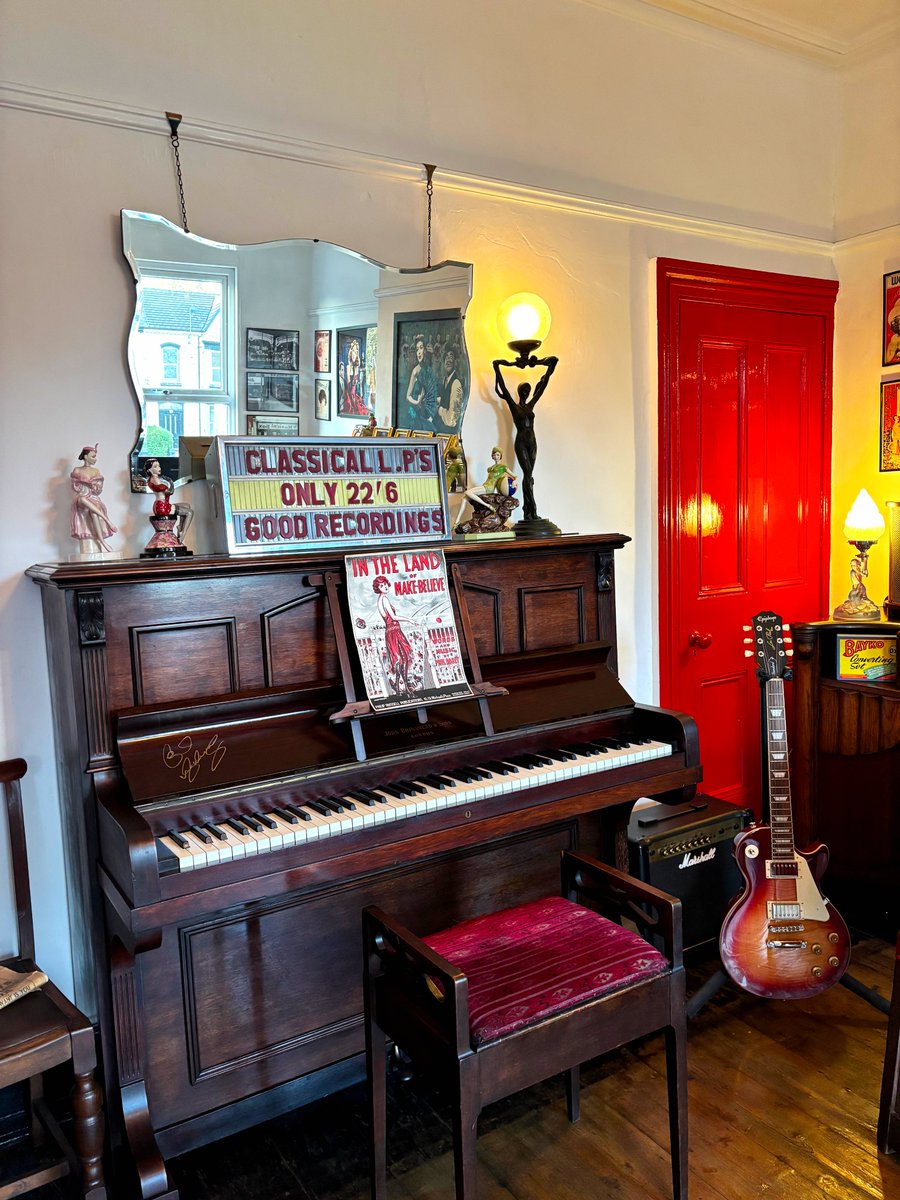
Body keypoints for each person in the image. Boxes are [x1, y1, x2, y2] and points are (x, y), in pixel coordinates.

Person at [493, 355, 557, 523]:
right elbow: (503, 389)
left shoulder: (531, 405)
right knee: (528, 475)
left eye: (528, 391)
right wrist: (498, 365)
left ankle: (527, 511)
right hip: (521, 442)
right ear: (520, 392)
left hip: (532, 441)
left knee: (529, 476)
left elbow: (543, 385)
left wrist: (547, 364)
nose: (526, 393)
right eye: (524, 390)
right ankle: (532, 511)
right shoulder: (514, 407)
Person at [70, 443, 117, 554]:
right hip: (83, 497)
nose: (95, 459)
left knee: (94, 512)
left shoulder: (96, 471)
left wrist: (94, 486)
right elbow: (75, 487)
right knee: (81, 499)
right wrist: (82, 483)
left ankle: (102, 541)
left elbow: (98, 490)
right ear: (86, 457)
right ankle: (107, 520)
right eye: (93, 456)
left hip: (93, 498)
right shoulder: (77, 470)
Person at [374, 575, 413, 696]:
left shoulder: (380, 600)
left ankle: (398, 688)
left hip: (391, 631)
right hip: (394, 631)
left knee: (400, 660)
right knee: (403, 659)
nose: (385, 586)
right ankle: (406, 688)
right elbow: (394, 617)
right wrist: (409, 620)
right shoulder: (384, 600)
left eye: (385, 584)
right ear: (378, 587)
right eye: (381, 585)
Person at [145, 459, 193, 543]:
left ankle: (180, 527)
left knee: (187, 505)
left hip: (162, 504)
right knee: (190, 512)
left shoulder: (152, 479)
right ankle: (183, 533)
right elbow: (170, 492)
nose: (159, 468)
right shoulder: (155, 480)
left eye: (159, 466)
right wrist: (171, 482)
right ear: (149, 470)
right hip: (162, 507)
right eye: (155, 466)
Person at [464, 447, 517, 514]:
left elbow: (515, 476)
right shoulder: (490, 468)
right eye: (494, 455)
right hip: (485, 485)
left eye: (498, 455)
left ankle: (487, 505)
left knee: (467, 492)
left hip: (489, 488)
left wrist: (514, 481)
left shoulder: (503, 467)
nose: (496, 456)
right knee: (465, 498)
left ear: (501, 456)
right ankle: (457, 522)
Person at [405, 333, 437, 428]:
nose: (418, 352)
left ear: (425, 350)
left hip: (426, 412)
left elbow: (432, 391)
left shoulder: (429, 370)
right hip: (414, 411)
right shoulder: (415, 371)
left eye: (421, 348)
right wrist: (417, 402)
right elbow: (408, 396)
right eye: (417, 349)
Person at [436, 346, 464, 433]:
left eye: (451, 357)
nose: (448, 361)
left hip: (450, 436)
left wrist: (439, 410)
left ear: (455, 362)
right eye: (446, 357)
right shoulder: (445, 381)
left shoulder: (456, 384)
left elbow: (451, 421)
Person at [342, 338, 368, 417]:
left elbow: (357, 383)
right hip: (349, 393)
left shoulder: (357, 367)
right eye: (353, 351)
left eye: (356, 352)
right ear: (350, 352)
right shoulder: (347, 367)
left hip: (355, 392)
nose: (355, 354)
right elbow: (348, 384)